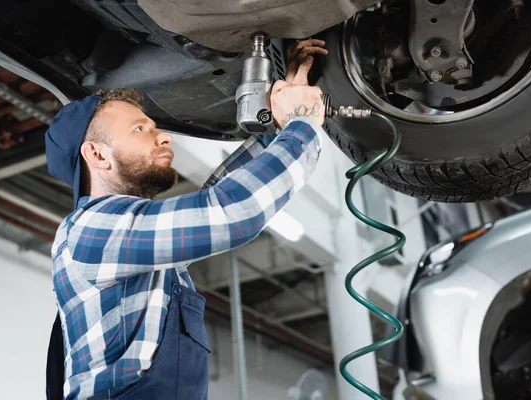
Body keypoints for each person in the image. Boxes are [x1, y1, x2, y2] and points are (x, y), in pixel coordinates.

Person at [44, 39, 329, 400]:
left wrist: (280, 119)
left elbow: (214, 199)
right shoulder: (89, 229)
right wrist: (302, 125)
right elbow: (230, 212)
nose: (162, 135)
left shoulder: (129, 243)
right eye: (139, 129)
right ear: (97, 154)